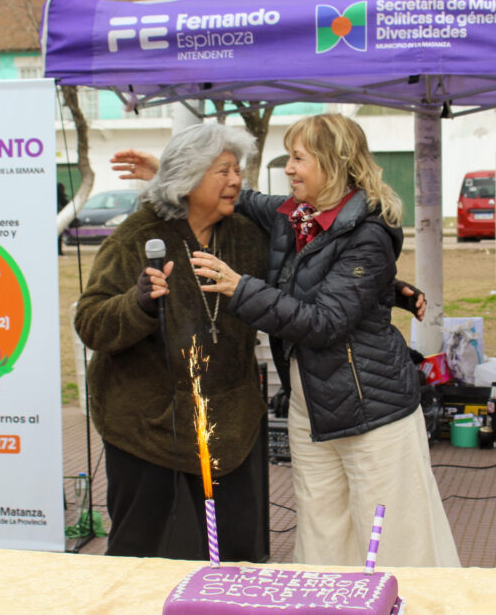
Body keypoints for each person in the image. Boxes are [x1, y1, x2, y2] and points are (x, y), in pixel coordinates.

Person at [126, 113, 458, 568]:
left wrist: (240, 288)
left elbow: (323, 321)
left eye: (298, 158)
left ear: (332, 163)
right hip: (310, 404)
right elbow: (244, 198)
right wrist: (169, 172)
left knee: (396, 537)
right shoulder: (295, 215)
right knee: (323, 530)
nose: (289, 168)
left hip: (371, 408)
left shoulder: (370, 232)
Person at [75, 124, 270, 561]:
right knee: (147, 560)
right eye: (223, 170)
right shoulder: (136, 239)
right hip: (147, 430)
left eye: (237, 169)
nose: (237, 180)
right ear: (188, 179)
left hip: (231, 428)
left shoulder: (246, 237)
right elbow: (90, 322)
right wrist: (137, 305)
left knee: (237, 558)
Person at [56, 181, 69, 255]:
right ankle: (59, 251)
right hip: (58, 217)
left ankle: (59, 251)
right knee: (58, 235)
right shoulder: (60, 195)